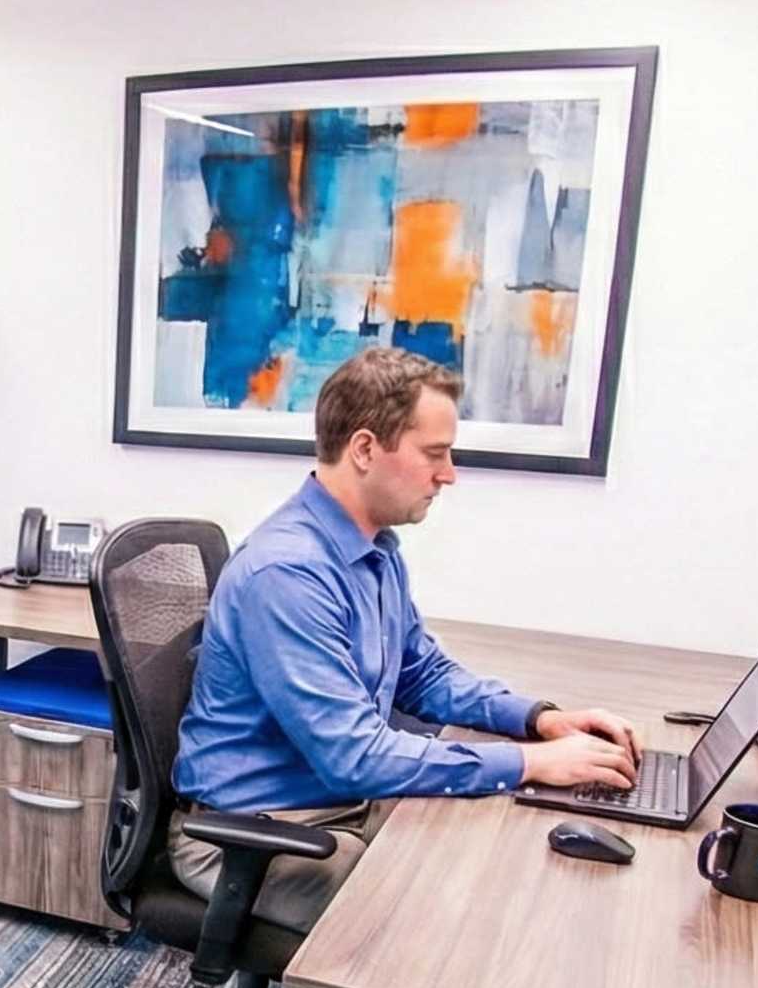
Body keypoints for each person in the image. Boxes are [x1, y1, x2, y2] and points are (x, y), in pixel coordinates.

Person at [173, 346, 645, 945]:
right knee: (461, 928)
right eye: (434, 453)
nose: (449, 474)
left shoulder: (372, 549)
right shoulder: (287, 574)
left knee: (501, 848)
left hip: (335, 802)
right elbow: (355, 756)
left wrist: (540, 720)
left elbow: (423, 674)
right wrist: (532, 763)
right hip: (253, 836)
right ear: (365, 449)